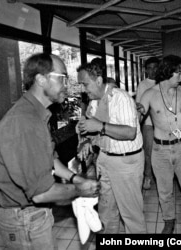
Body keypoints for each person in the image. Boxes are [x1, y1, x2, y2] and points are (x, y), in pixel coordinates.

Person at [0, 53, 100, 250]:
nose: (67, 84)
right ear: (41, 79)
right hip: (23, 220)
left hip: (33, 215)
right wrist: (81, 190)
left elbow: (49, 159)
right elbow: (41, 193)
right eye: (62, 77)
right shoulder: (24, 121)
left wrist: (75, 179)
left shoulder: (37, 114)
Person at [76, 62, 147, 234]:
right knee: (106, 213)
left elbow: (130, 132)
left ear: (99, 80)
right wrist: (85, 141)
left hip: (126, 161)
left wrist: (99, 126)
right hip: (105, 159)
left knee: (131, 215)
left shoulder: (121, 98)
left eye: (85, 84)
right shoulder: (94, 103)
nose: (83, 90)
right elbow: (88, 129)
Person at [137, 54, 181, 234]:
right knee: (164, 192)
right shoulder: (149, 94)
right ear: (167, 72)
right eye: (179, 73)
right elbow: (136, 117)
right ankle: (169, 222)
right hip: (160, 150)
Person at [136, 56, 159, 190]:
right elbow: (139, 106)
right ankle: (148, 176)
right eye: (150, 68)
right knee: (149, 152)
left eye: (155, 68)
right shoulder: (143, 84)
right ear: (146, 70)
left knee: (162, 152)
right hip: (149, 124)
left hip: (163, 125)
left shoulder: (163, 82)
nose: (153, 71)